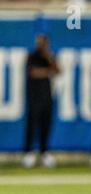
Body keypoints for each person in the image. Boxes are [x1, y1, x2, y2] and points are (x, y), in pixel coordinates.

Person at [22, 34, 60, 168]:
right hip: (34, 97)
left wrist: (48, 57)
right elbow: (33, 73)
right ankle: (29, 152)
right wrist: (47, 71)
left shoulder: (49, 56)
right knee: (32, 126)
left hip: (47, 97)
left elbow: (57, 70)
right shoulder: (32, 56)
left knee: (46, 125)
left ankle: (44, 152)